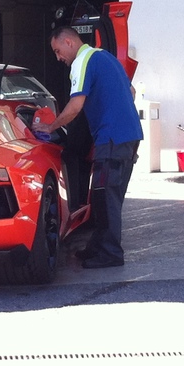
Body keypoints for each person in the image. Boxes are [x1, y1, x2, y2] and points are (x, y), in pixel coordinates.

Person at [33, 25, 143, 269]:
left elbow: (75, 106)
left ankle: (111, 254)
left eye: (57, 50)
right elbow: (131, 91)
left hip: (112, 138)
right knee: (104, 195)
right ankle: (98, 247)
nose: (58, 57)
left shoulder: (81, 62)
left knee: (106, 198)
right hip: (129, 136)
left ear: (69, 42)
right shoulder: (106, 57)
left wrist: (50, 129)